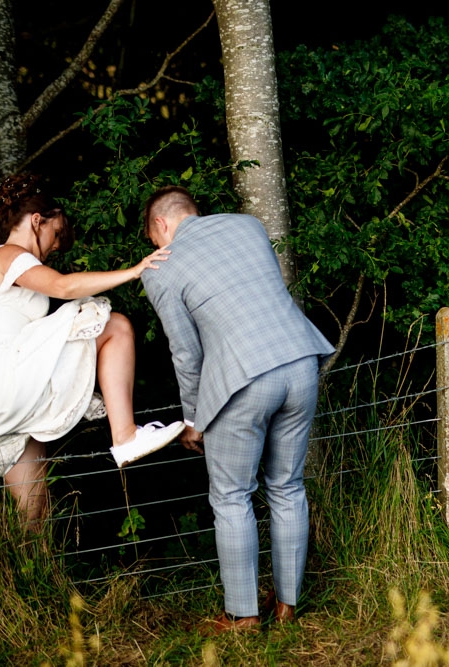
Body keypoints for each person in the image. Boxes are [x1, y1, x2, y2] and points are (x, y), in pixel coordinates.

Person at [141, 186, 334, 631]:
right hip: (300, 361)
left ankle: (243, 616)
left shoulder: (161, 269)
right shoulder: (249, 226)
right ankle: (287, 607)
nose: (157, 249)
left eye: (155, 242)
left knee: (231, 497)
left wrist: (192, 419)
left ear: (161, 226)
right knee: (287, 487)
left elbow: (186, 352)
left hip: (242, 379)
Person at [0, 174, 184, 531]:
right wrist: (135, 270)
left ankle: (28, 580)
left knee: (33, 514)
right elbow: (63, 287)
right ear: (37, 221)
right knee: (114, 326)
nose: (53, 246)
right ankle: (125, 436)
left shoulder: (0, 265)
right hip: (4, 375)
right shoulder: (8, 255)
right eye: (55, 233)